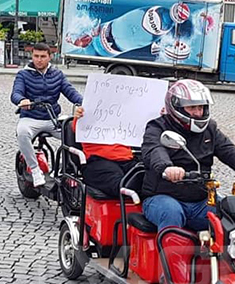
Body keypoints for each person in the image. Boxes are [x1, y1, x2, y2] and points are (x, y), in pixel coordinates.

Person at [141, 80, 235, 234]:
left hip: (201, 199)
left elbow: (228, 151)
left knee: (234, 213)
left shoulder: (210, 129)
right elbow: (154, 150)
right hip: (163, 197)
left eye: (201, 107)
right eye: (191, 108)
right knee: (172, 212)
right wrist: (167, 168)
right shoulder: (157, 127)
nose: (198, 113)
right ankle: (172, 257)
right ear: (176, 107)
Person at [10, 43, 83, 188]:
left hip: (52, 119)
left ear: (50, 57)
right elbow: (15, 93)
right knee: (22, 133)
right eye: (36, 56)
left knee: (75, 134)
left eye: (43, 56)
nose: (39, 60)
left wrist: (84, 103)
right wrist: (21, 100)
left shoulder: (57, 74)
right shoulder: (23, 74)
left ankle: (68, 169)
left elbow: (70, 92)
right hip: (30, 117)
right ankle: (35, 170)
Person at [72, 118, 139, 199]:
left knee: (150, 178)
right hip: (98, 161)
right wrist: (79, 117)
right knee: (121, 184)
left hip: (127, 160)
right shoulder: (87, 113)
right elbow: (78, 129)